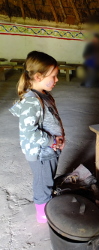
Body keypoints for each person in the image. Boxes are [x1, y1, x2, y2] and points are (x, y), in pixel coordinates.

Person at [9, 51, 65, 223]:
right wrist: (52, 140)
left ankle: (48, 196)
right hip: (41, 152)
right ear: (39, 76)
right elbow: (29, 132)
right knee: (43, 182)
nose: (56, 80)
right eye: (54, 76)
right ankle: (43, 213)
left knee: (47, 177)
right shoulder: (32, 101)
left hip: (49, 150)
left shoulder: (43, 95)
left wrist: (58, 139)